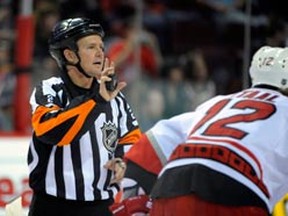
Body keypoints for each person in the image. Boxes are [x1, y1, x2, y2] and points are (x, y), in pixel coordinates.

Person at [118, 46, 288, 216]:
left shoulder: (218, 103)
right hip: (236, 189)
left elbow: (153, 143)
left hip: (173, 182)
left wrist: (132, 199)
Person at [27, 17, 142, 216]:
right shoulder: (50, 90)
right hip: (53, 208)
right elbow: (51, 132)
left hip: (102, 206)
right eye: (90, 47)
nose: (100, 53)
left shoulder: (116, 97)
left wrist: (123, 160)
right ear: (70, 55)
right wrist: (96, 101)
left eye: (101, 46)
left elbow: (132, 138)